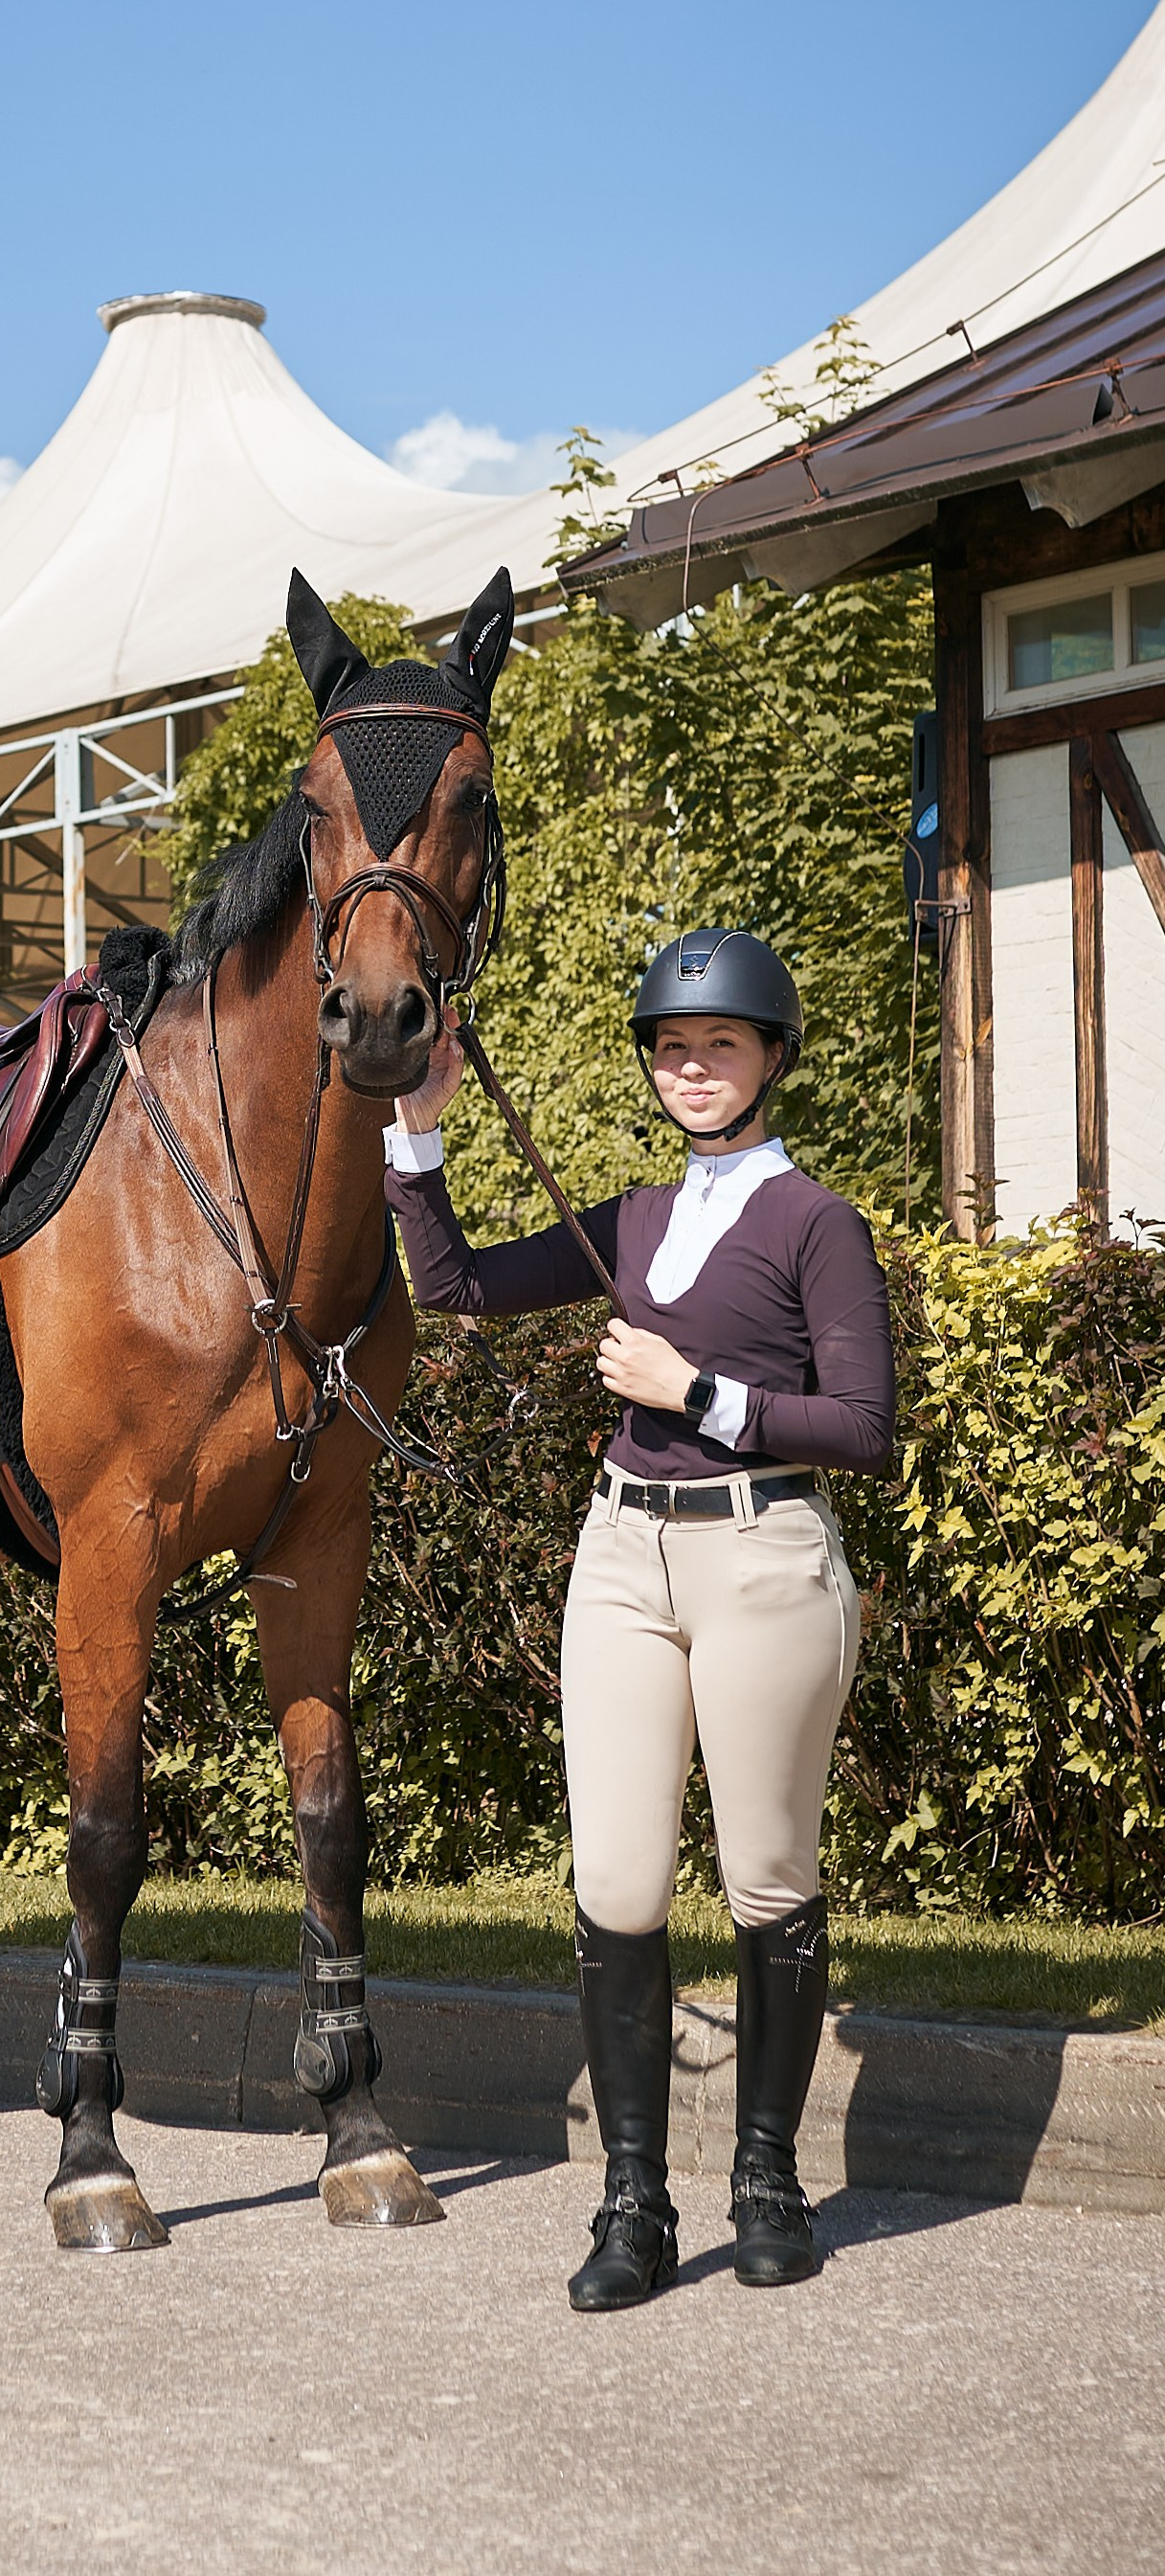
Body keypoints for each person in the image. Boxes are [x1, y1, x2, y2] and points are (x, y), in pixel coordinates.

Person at [383, 929, 894, 2309]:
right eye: (672, 1048)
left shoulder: (816, 1224)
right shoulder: (631, 1217)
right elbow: (457, 1285)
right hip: (619, 1560)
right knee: (614, 1882)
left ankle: (767, 2177)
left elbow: (861, 1426)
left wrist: (693, 1390)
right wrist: (415, 1138)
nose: (690, 1067)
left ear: (768, 1059)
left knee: (765, 1879)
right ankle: (633, 2203)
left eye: (717, 1045)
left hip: (764, 1561)